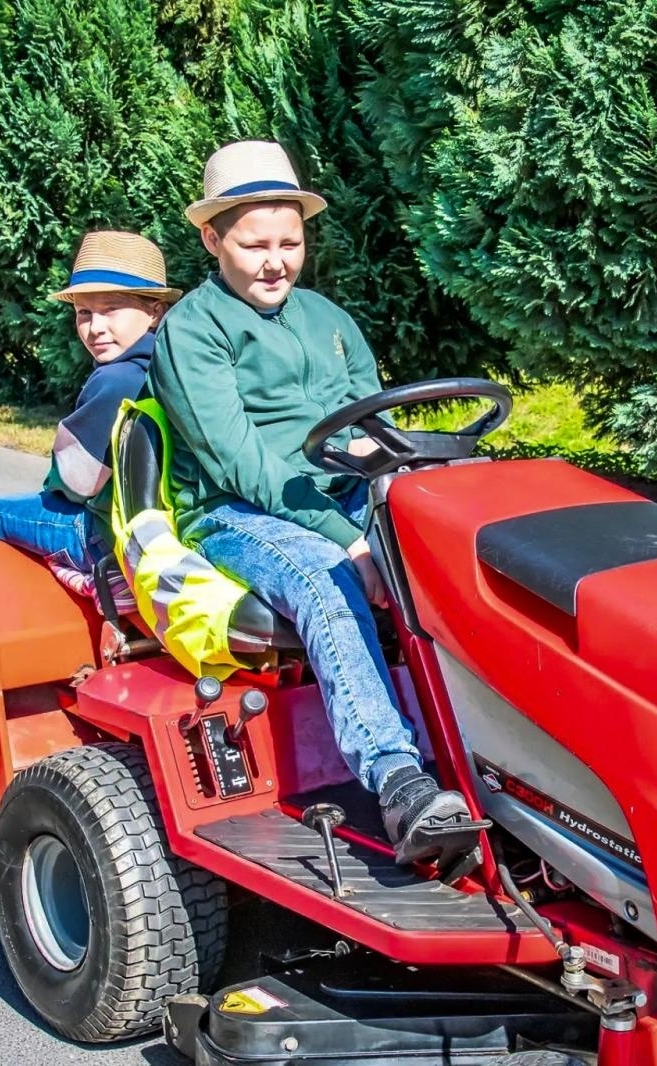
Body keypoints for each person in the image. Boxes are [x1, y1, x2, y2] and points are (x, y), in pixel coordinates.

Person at [148, 140, 477, 864]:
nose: (276, 261)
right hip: (239, 514)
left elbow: (370, 419)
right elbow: (242, 464)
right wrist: (348, 538)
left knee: (463, 550)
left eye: (290, 243)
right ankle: (399, 781)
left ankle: (503, 756)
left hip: (340, 490)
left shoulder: (328, 319)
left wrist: (396, 470)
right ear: (211, 238)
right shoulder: (192, 332)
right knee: (327, 580)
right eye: (255, 243)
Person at [0, 230, 181, 603]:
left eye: (111, 309)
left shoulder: (116, 380)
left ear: (154, 311)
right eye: (84, 313)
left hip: (104, 534)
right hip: (167, 530)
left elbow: (74, 482)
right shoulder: (177, 367)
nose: (95, 327)